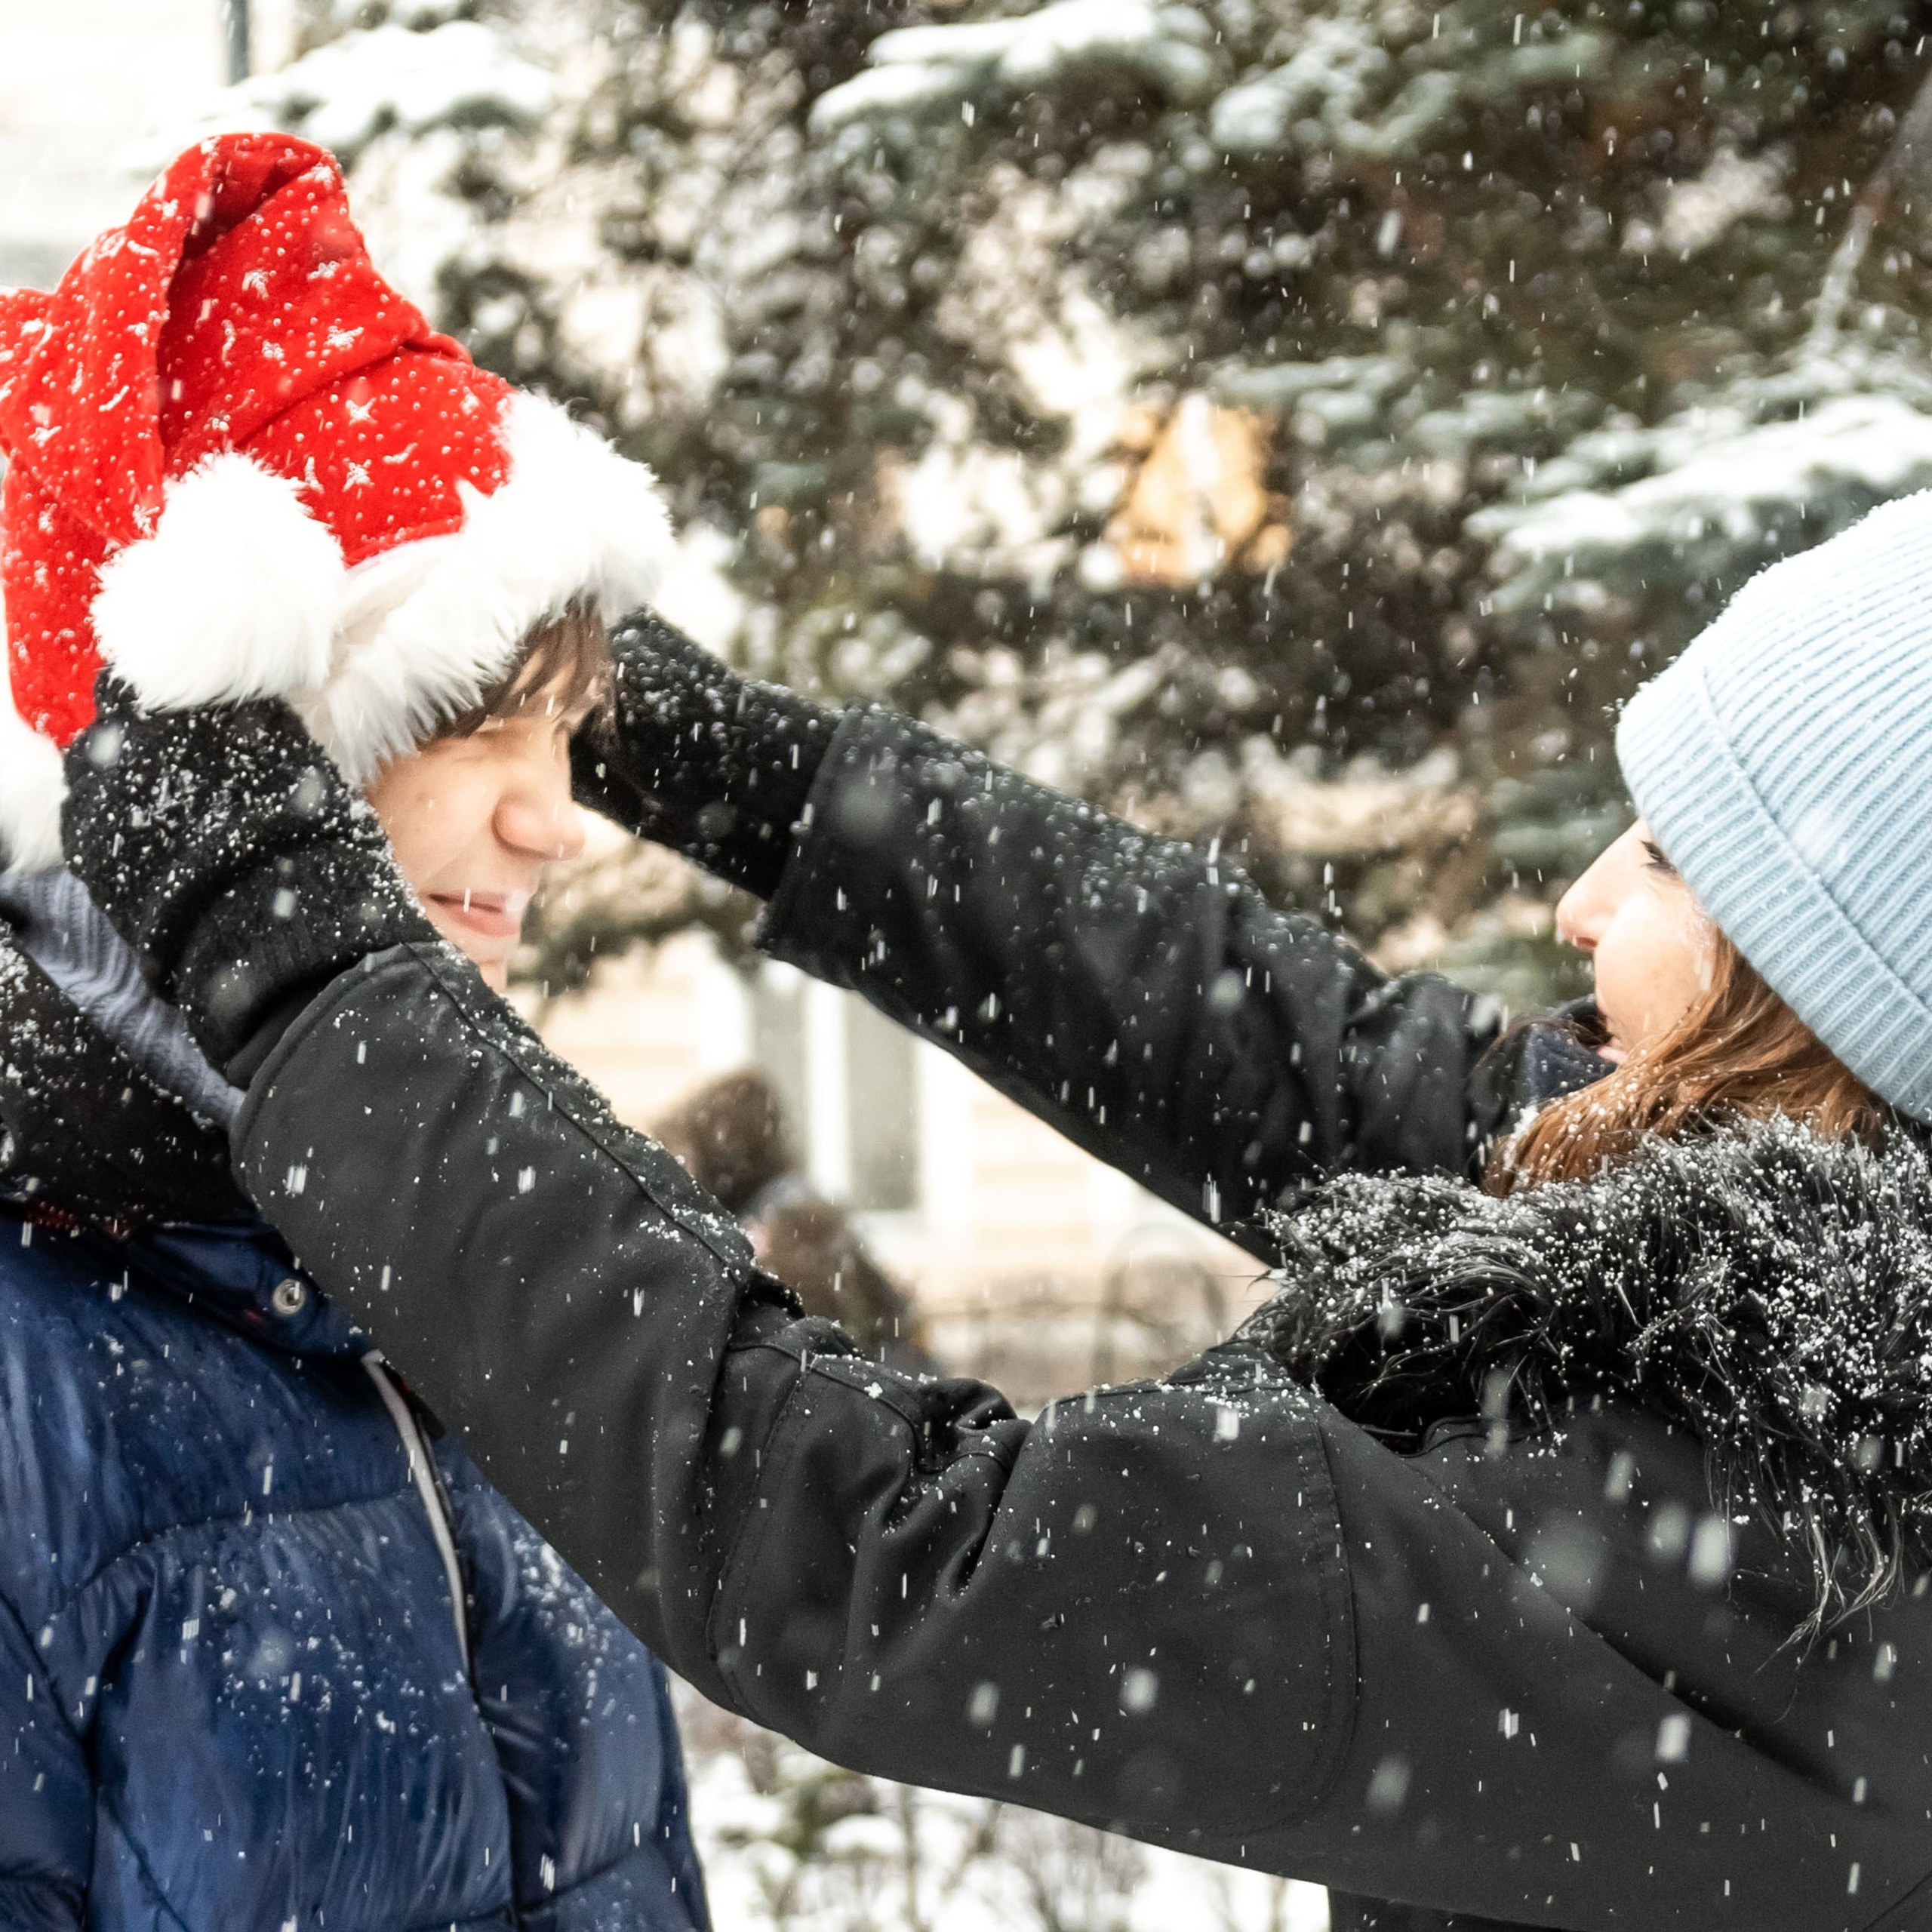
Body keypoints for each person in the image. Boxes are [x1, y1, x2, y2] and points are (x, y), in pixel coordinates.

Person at [39, 208, 1932, 1932]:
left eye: (1671, 857)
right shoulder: (1804, 1316)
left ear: (1839, 1002)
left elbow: (891, 1548)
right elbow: (1279, 1048)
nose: (1583, 896)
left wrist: (301, 963)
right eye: (477, 718)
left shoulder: (1778, 1547)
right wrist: (754, 777)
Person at [0, 134, 709, 1928]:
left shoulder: (465, 1246)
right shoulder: (31, 1363)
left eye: (565, 732)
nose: (557, 820)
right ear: (230, 757)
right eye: (469, 721)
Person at [652, 1066, 932, 1370]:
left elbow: (812, 1353)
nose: (679, 1176)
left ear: (722, 1153)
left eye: (685, 1158)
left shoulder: (783, 1223)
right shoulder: (777, 1211)